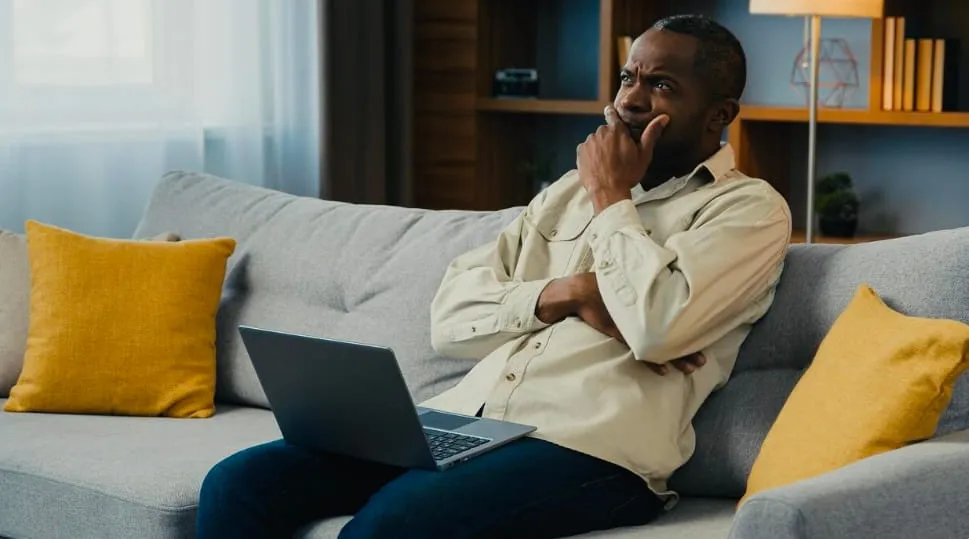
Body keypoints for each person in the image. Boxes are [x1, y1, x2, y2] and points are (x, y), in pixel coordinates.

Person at [196, 13, 792, 539]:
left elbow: (658, 327)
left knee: (392, 525)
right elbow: (449, 318)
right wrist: (567, 293)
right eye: (628, 78)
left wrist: (613, 195)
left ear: (720, 115)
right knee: (239, 483)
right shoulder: (566, 194)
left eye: (662, 85)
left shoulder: (748, 210)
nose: (630, 100)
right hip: (469, 419)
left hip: (592, 451)